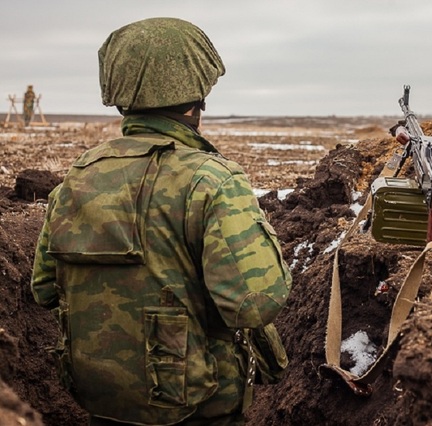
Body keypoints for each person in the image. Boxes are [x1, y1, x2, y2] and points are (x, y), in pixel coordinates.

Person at [31, 17, 292, 426]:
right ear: (196, 99)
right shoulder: (212, 181)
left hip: (101, 400)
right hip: (200, 406)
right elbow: (255, 302)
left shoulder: (76, 178)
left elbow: (44, 289)